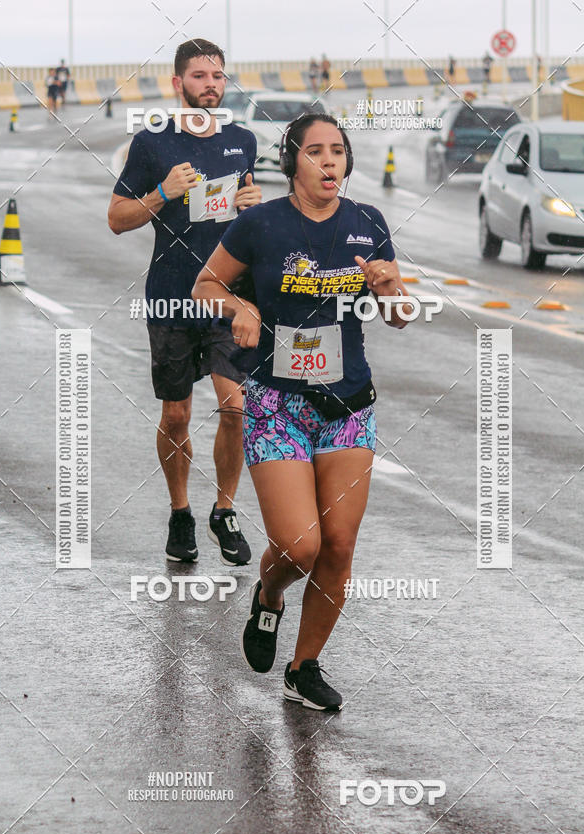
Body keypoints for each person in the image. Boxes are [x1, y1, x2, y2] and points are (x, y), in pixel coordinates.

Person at [192, 113, 414, 711]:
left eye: (337, 151)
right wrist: (238, 304)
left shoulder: (368, 223)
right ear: (292, 161)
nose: (328, 162)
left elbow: (398, 315)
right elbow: (204, 286)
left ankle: (304, 666)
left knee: (338, 545)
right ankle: (268, 595)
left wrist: (393, 290)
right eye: (315, 152)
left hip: (347, 405)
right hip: (277, 405)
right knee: (298, 548)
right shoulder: (261, 224)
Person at [108, 38, 262, 566]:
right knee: (176, 414)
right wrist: (162, 194)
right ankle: (180, 512)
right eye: (199, 76)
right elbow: (117, 219)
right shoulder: (152, 144)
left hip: (227, 295)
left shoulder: (243, 140)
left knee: (236, 407)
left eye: (218, 76)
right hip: (172, 296)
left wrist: (252, 206)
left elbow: (247, 220)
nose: (210, 85)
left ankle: (224, 510)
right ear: (177, 84)